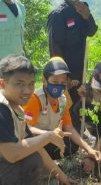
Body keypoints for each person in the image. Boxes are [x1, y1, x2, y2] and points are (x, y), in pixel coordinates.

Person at [0, 55, 76, 185]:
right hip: (7, 161)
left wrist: (62, 177)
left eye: (31, 84)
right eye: (19, 84)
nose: (27, 90)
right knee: (29, 161)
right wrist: (49, 136)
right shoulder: (2, 109)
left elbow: (35, 145)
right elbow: (12, 154)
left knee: (33, 157)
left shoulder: (16, 107)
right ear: (2, 84)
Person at [23, 57, 101, 172]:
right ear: (44, 81)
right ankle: (44, 165)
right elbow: (27, 128)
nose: (59, 86)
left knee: (71, 146)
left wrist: (88, 149)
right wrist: (49, 135)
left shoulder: (63, 99)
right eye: (55, 82)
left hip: (51, 138)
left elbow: (68, 127)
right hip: (36, 140)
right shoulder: (35, 99)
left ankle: (47, 162)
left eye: (63, 83)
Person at [47, 0, 98, 132]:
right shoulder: (58, 14)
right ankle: (66, 142)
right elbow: (55, 48)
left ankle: (77, 139)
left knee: (80, 104)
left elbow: (91, 31)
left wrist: (86, 16)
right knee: (66, 106)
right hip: (67, 73)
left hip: (81, 69)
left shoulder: (83, 7)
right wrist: (63, 75)